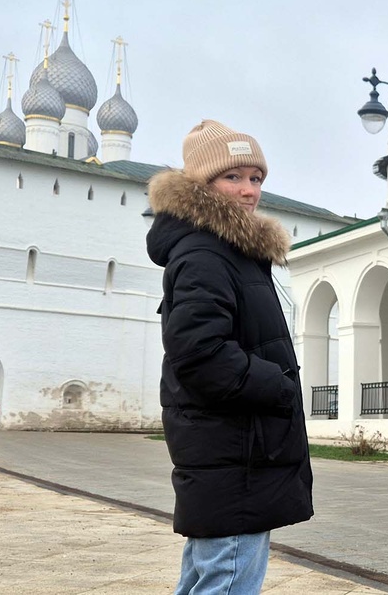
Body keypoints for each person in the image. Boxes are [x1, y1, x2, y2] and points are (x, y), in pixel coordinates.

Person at [146, 119, 313, 594]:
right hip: (235, 449)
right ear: (201, 183)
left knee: (211, 572)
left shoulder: (228, 251)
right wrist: (277, 384)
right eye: (232, 177)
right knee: (229, 576)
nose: (248, 191)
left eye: (255, 178)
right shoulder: (205, 252)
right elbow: (199, 353)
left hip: (236, 449)